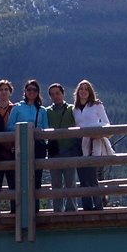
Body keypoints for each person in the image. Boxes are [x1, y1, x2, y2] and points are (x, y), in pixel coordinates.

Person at [6, 79, 49, 212]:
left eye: (34, 90)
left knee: (37, 177)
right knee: (18, 177)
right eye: (29, 89)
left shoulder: (42, 110)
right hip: (20, 146)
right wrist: (25, 129)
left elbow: (46, 128)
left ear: (38, 93)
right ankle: (17, 209)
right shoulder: (17, 108)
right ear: (24, 91)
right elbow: (9, 127)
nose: (31, 92)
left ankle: (34, 209)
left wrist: (38, 131)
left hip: (38, 147)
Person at [73, 79, 113, 211]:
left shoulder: (97, 105)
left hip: (93, 142)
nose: (83, 91)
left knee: (91, 176)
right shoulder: (75, 109)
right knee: (82, 177)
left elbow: (107, 124)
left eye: (86, 89)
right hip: (79, 143)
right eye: (81, 89)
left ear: (90, 92)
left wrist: (97, 132)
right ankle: (87, 207)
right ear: (78, 92)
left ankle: (98, 205)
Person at [46, 82, 80, 212]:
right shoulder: (47, 111)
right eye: (53, 94)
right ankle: (57, 209)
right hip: (54, 151)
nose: (56, 96)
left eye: (58, 93)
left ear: (63, 94)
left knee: (70, 182)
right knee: (55, 183)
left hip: (69, 149)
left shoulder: (72, 109)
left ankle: (72, 209)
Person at [0, 79, 16, 213]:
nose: (3, 92)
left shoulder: (15, 108)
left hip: (11, 149)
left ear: (10, 92)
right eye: (1, 89)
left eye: (6, 89)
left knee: (13, 181)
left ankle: (15, 210)